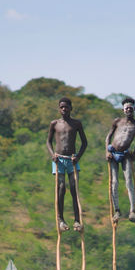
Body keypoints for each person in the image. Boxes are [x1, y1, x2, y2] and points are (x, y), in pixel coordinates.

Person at [46, 97, 88, 232]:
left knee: (74, 188)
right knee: (62, 188)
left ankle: (77, 220)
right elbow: (48, 142)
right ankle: (61, 220)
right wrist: (52, 154)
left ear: (71, 108)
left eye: (66, 107)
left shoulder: (76, 123)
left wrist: (78, 157)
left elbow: (84, 143)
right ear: (59, 109)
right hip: (59, 160)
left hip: (72, 160)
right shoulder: (54, 123)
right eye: (61, 107)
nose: (64, 109)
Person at [105, 97, 135, 223]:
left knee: (129, 182)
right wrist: (107, 151)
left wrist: (134, 152)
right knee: (114, 182)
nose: (128, 110)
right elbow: (108, 137)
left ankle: (132, 211)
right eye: (126, 108)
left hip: (126, 154)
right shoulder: (117, 121)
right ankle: (117, 210)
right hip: (114, 153)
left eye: (131, 108)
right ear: (123, 110)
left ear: (134, 109)